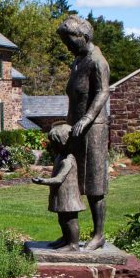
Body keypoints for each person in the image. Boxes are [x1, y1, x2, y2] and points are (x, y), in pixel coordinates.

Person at [57, 15, 110, 250]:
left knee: (94, 183)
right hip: (75, 128)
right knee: (74, 182)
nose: (67, 46)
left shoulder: (97, 61)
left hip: (93, 129)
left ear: (84, 37)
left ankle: (98, 235)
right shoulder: (77, 61)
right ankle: (71, 238)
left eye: (70, 40)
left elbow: (102, 92)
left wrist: (88, 118)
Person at [32, 124, 85, 251]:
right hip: (61, 194)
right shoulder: (60, 157)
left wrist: (43, 181)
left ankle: (73, 244)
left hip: (69, 196)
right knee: (62, 219)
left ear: (63, 143)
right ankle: (66, 239)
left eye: (54, 143)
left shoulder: (67, 160)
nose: (52, 146)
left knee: (70, 220)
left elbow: (59, 179)